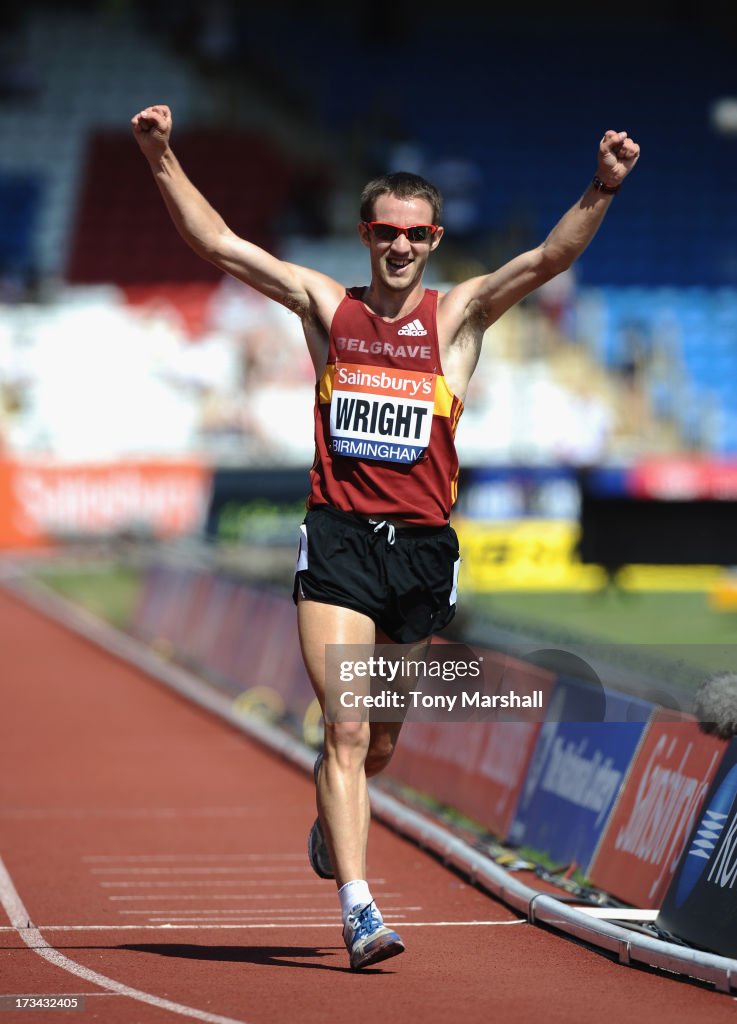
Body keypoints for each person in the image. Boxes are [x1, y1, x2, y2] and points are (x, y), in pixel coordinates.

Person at [131, 105, 640, 970]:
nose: (398, 247)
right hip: (335, 544)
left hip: (420, 552)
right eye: (383, 232)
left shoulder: (458, 319)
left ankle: (335, 816)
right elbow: (218, 244)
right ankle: (361, 909)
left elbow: (548, 258)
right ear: (365, 234)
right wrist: (160, 156)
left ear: (433, 238)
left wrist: (600, 186)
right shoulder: (327, 307)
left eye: (414, 234)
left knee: (383, 741)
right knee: (347, 729)